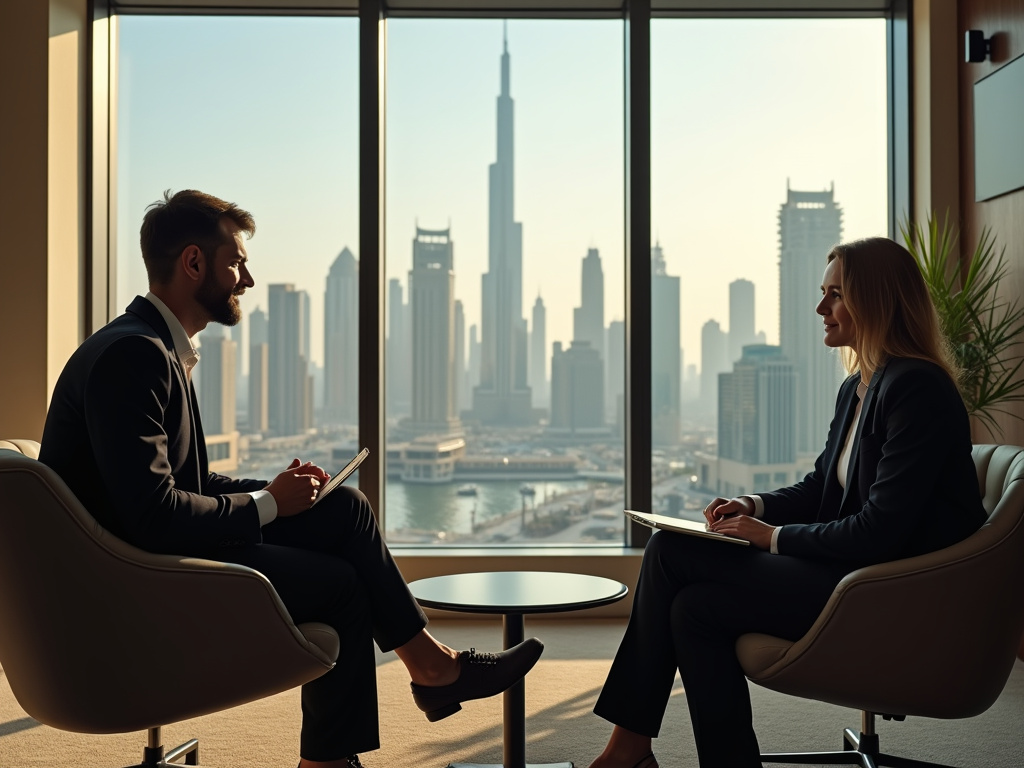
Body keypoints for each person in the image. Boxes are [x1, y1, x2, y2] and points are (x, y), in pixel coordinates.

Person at [39, 189, 543, 768]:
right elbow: (155, 516)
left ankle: (432, 667)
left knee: (344, 508)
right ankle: (346, 747)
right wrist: (268, 506)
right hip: (142, 579)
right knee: (339, 585)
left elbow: (187, 483)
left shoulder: (148, 347)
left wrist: (279, 494)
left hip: (150, 553)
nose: (246, 279)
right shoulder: (135, 357)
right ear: (194, 263)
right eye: (236, 262)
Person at [587, 237, 988, 768]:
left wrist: (770, 538)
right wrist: (752, 506)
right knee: (693, 611)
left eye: (836, 295)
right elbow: (822, 488)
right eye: (823, 293)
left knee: (668, 551)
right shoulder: (860, 387)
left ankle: (628, 750)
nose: (821, 309)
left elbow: (881, 530)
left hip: (886, 591)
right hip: (849, 574)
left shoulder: (917, 387)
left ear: (877, 301)